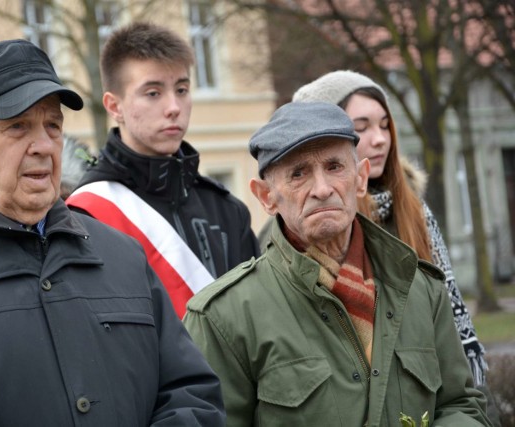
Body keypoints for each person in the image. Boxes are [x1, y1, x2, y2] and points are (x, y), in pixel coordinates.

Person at [0, 39, 225, 426]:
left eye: (53, 125)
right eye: (17, 126)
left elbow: (191, 394)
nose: (43, 145)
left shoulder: (122, 255)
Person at [183, 101, 491, 426]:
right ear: (266, 197)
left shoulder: (421, 290)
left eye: (334, 167)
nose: (322, 188)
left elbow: (462, 405)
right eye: (298, 173)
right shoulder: (223, 318)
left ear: (360, 179)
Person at [289, 70, 490, 390]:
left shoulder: (413, 210)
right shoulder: (314, 227)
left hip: (429, 390)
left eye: (384, 125)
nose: (381, 138)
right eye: (361, 127)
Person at [66, 22, 260, 317]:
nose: (173, 106)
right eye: (153, 93)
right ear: (114, 106)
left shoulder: (227, 209)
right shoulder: (87, 214)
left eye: (182, 89)